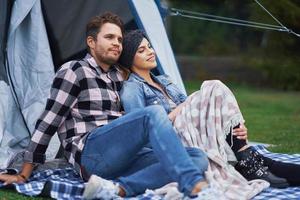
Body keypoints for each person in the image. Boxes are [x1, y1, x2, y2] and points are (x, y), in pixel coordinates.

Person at [0, 13, 220, 199]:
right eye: (109, 37)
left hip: (121, 155)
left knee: (196, 157)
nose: (117, 43)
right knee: (150, 115)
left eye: (119, 39)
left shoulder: (118, 76)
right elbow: (48, 122)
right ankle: (196, 187)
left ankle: (118, 189)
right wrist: (24, 173)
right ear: (91, 42)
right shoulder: (74, 70)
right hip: (91, 154)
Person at [119, 30, 300, 192]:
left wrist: (235, 127)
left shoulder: (164, 80)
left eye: (149, 47)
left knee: (252, 153)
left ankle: (246, 156)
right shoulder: (132, 89)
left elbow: (192, 107)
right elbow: (142, 130)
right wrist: (185, 106)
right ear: (129, 59)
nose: (150, 52)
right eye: (141, 50)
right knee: (212, 86)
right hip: (173, 138)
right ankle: (245, 158)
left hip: (192, 129)